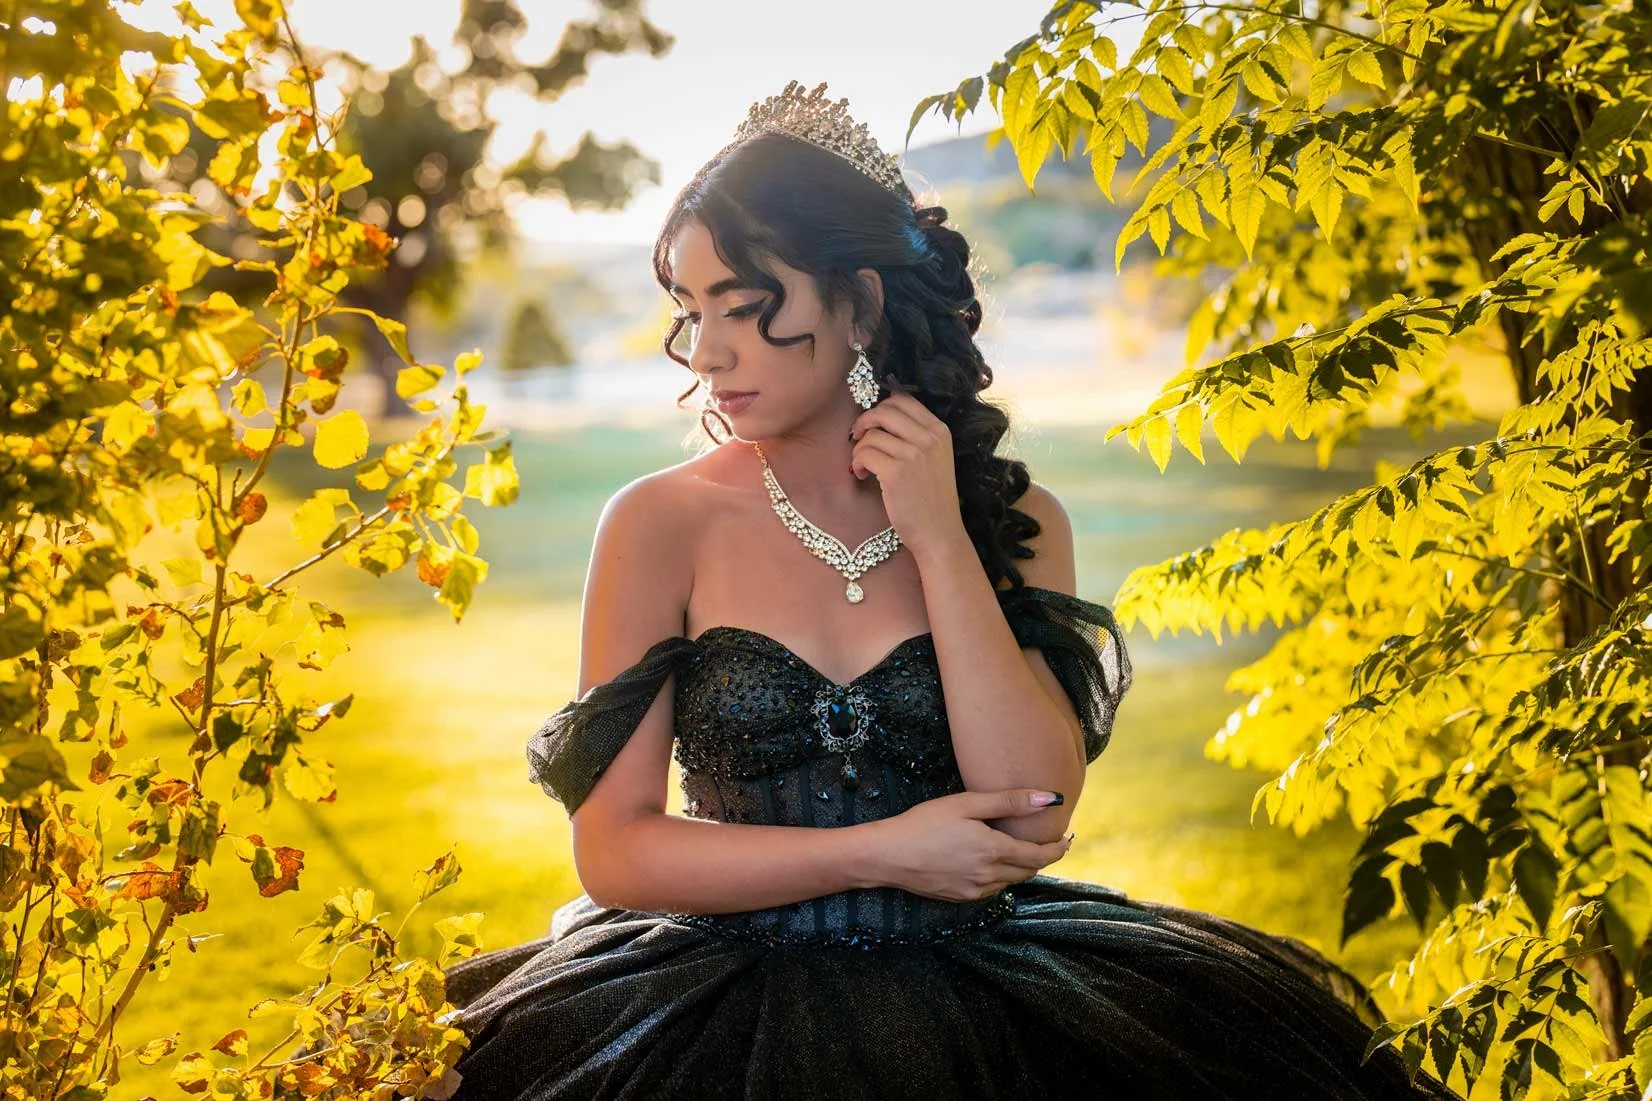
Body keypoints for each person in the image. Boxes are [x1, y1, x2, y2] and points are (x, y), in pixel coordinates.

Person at [438, 81, 1461, 1100]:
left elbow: (1035, 809)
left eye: (745, 308)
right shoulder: (657, 524)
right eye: (688, 309)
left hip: (1005, 998)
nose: (706, 352)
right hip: (706, 1014)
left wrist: (937, 537)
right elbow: (613, 848)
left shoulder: (1014, 524)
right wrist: (879, 851)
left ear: (862, 304)